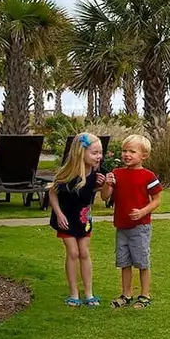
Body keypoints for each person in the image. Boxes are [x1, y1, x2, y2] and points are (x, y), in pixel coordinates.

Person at [103, 132, 162, 311]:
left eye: (132, 151)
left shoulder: (148, 176)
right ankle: (126, 295)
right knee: (124, 262)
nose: (127, 154)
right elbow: (105, 197)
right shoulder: (116, 174)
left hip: (140, 227)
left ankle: (144, 295)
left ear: (144, 155)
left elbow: (157, 200)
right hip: (122, 226)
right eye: (124, 150)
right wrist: (107, 183)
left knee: (142, 262)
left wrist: (142, 212)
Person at [48, 132, 107, 309]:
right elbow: (52, 193)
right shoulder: (67, 174)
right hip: (66, 218)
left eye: (100, 152)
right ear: (81, 153)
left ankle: (88, 293)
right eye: (94, 153)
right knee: (73, 253)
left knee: (84, 252)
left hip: (83, 218)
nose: (99, 157)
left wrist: (102, 185)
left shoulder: (97, 174)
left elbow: (101, 195)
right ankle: (73, 293)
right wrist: (59, 214)